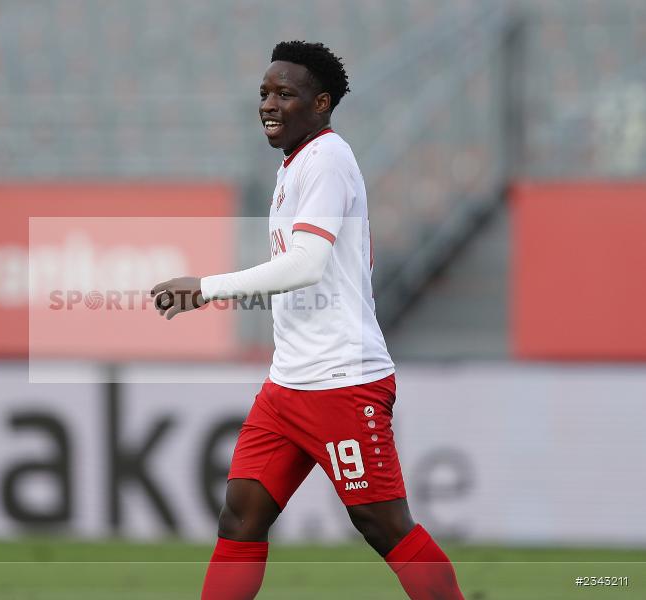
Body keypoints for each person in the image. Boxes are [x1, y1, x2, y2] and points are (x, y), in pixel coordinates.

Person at [151, 41, 464, 600]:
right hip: (288, 384)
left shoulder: (328, 160)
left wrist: (206, 288)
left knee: (383, 526)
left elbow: (306, 264)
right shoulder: (297, 162)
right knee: (240, 518)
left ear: (321, 103)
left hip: (342, 381)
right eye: (264, 93)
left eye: (285, 94)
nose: (269, 104)